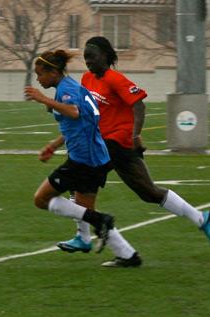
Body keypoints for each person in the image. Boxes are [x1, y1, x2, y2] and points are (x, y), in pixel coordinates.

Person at [57, 36, 210, 267]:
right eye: (86, 58)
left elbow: (139, 104)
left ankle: (86, 238)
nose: (88, 62)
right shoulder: (87, 79)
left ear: (106, 57)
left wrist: (135, 134)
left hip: (118, 143)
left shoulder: (115, 79)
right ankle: (199, 219)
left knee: (79, 180)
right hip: (101, 144)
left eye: (93, 57)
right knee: (148, 192)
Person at [24, 49, 141, 265]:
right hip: (96, 157)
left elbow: (74, 112)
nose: (38, 79)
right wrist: (54, 144)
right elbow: (81, 121)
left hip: (83, 159)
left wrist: (44, 100)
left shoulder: (67, 90)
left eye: (40, 74)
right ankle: (128, 255)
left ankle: (99, 222)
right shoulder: (73, 86)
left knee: (41, 199)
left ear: (53, 72)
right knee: (85, 209)